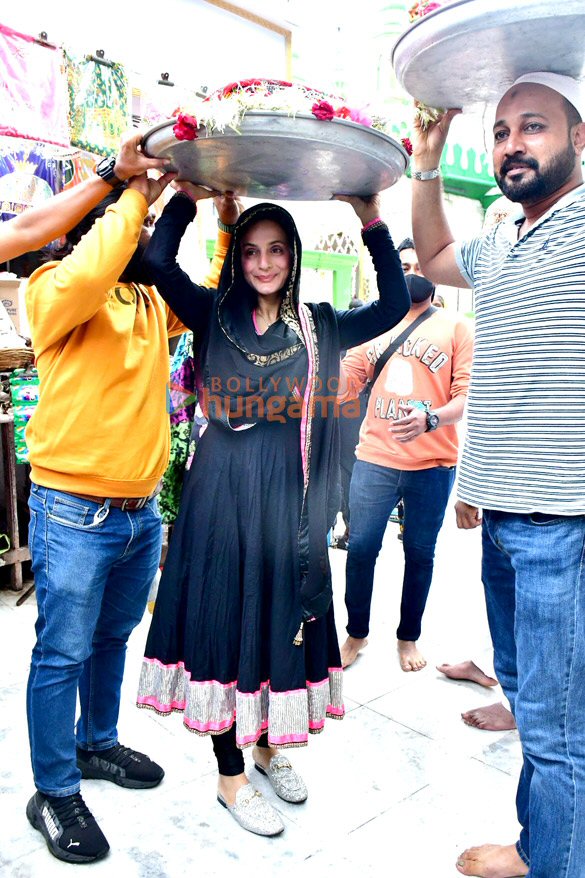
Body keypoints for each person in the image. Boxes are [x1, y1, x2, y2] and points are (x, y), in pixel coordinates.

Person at [136, 184, 410, 837]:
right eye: (252, 251)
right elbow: (154, 263)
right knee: (228, 624)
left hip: (292, 499)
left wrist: (368, 216)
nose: (263, 262)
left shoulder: (320, 324)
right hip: (222, 494)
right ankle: (230, 776)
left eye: (276, 250)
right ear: (238, 257)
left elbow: (396, 303)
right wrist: (185, 197)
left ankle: (266, 748)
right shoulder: (211, 312)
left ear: (293, 256)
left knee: (280, 618)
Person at [24, 169, 235, 864]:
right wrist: (138, 191)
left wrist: (221, 218)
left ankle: (96, 743)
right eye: (129, 222)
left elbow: (212, 296)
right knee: (61, 652)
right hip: (71, 510)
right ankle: (53, 791)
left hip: (139, 513)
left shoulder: (148, 302)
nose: (143, 234)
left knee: (112, 640)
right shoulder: (53, 290)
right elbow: (91, 274)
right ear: (98, 227)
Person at [411, 71, 585, 878]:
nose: (513, 143)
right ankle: (535, 847)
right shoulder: (503, 238)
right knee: (529, 703)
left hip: (564, 524)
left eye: (535, 127)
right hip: (506, 519)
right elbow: (438, 254)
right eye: (504, 130)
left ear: (578, 139)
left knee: (557, 734)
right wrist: (430, 157)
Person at [338, 237, 472, 671]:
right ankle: (356, 632)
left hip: (432, 467)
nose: (412, 271)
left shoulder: (456, 328)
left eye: (419, 264)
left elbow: (464, 398)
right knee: (359, 549)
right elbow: (343, 386)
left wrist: (431, 418)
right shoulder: (372, 323)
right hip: (374, 459)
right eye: (403, 265)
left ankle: (407, 637)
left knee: (420, 553)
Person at [0, 132, 167, 264]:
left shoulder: (152, 296)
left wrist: (117, 172)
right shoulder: (48, 284)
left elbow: (25, 230)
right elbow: (25, 230)